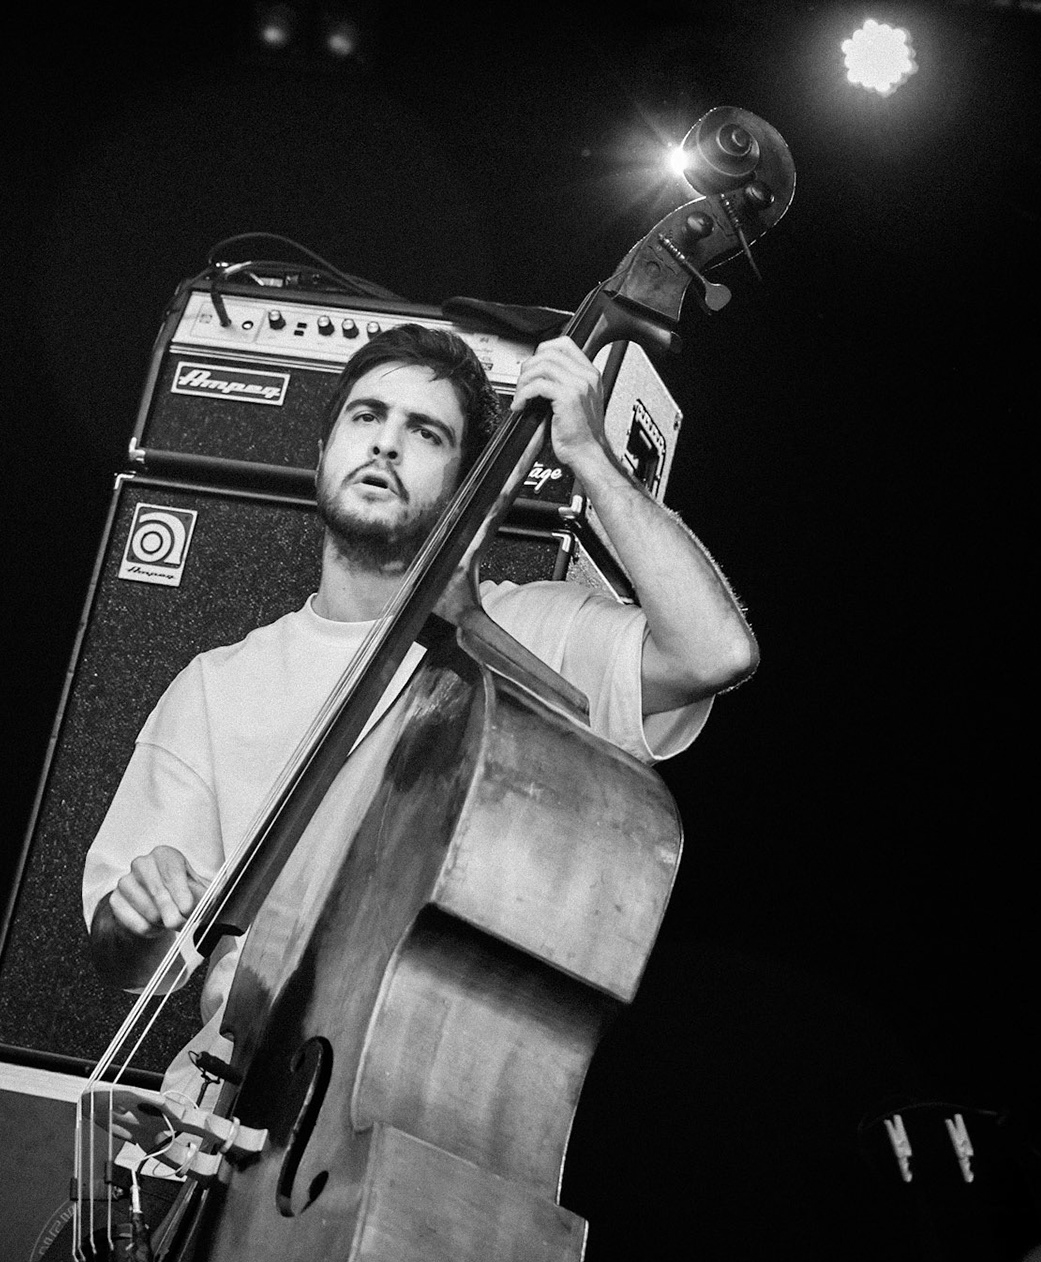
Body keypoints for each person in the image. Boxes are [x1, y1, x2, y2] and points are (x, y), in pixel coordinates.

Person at [80, 322, 757, 1095]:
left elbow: (714, 654)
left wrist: (594, 461)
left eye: (425, 433)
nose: (386, 443)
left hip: (430, 1092)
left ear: (468, 486)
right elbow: (125, 963)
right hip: (219, 1096)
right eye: (366, 416)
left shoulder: (530, 635)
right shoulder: (217, 684)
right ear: (323, 452)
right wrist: (137, 914)